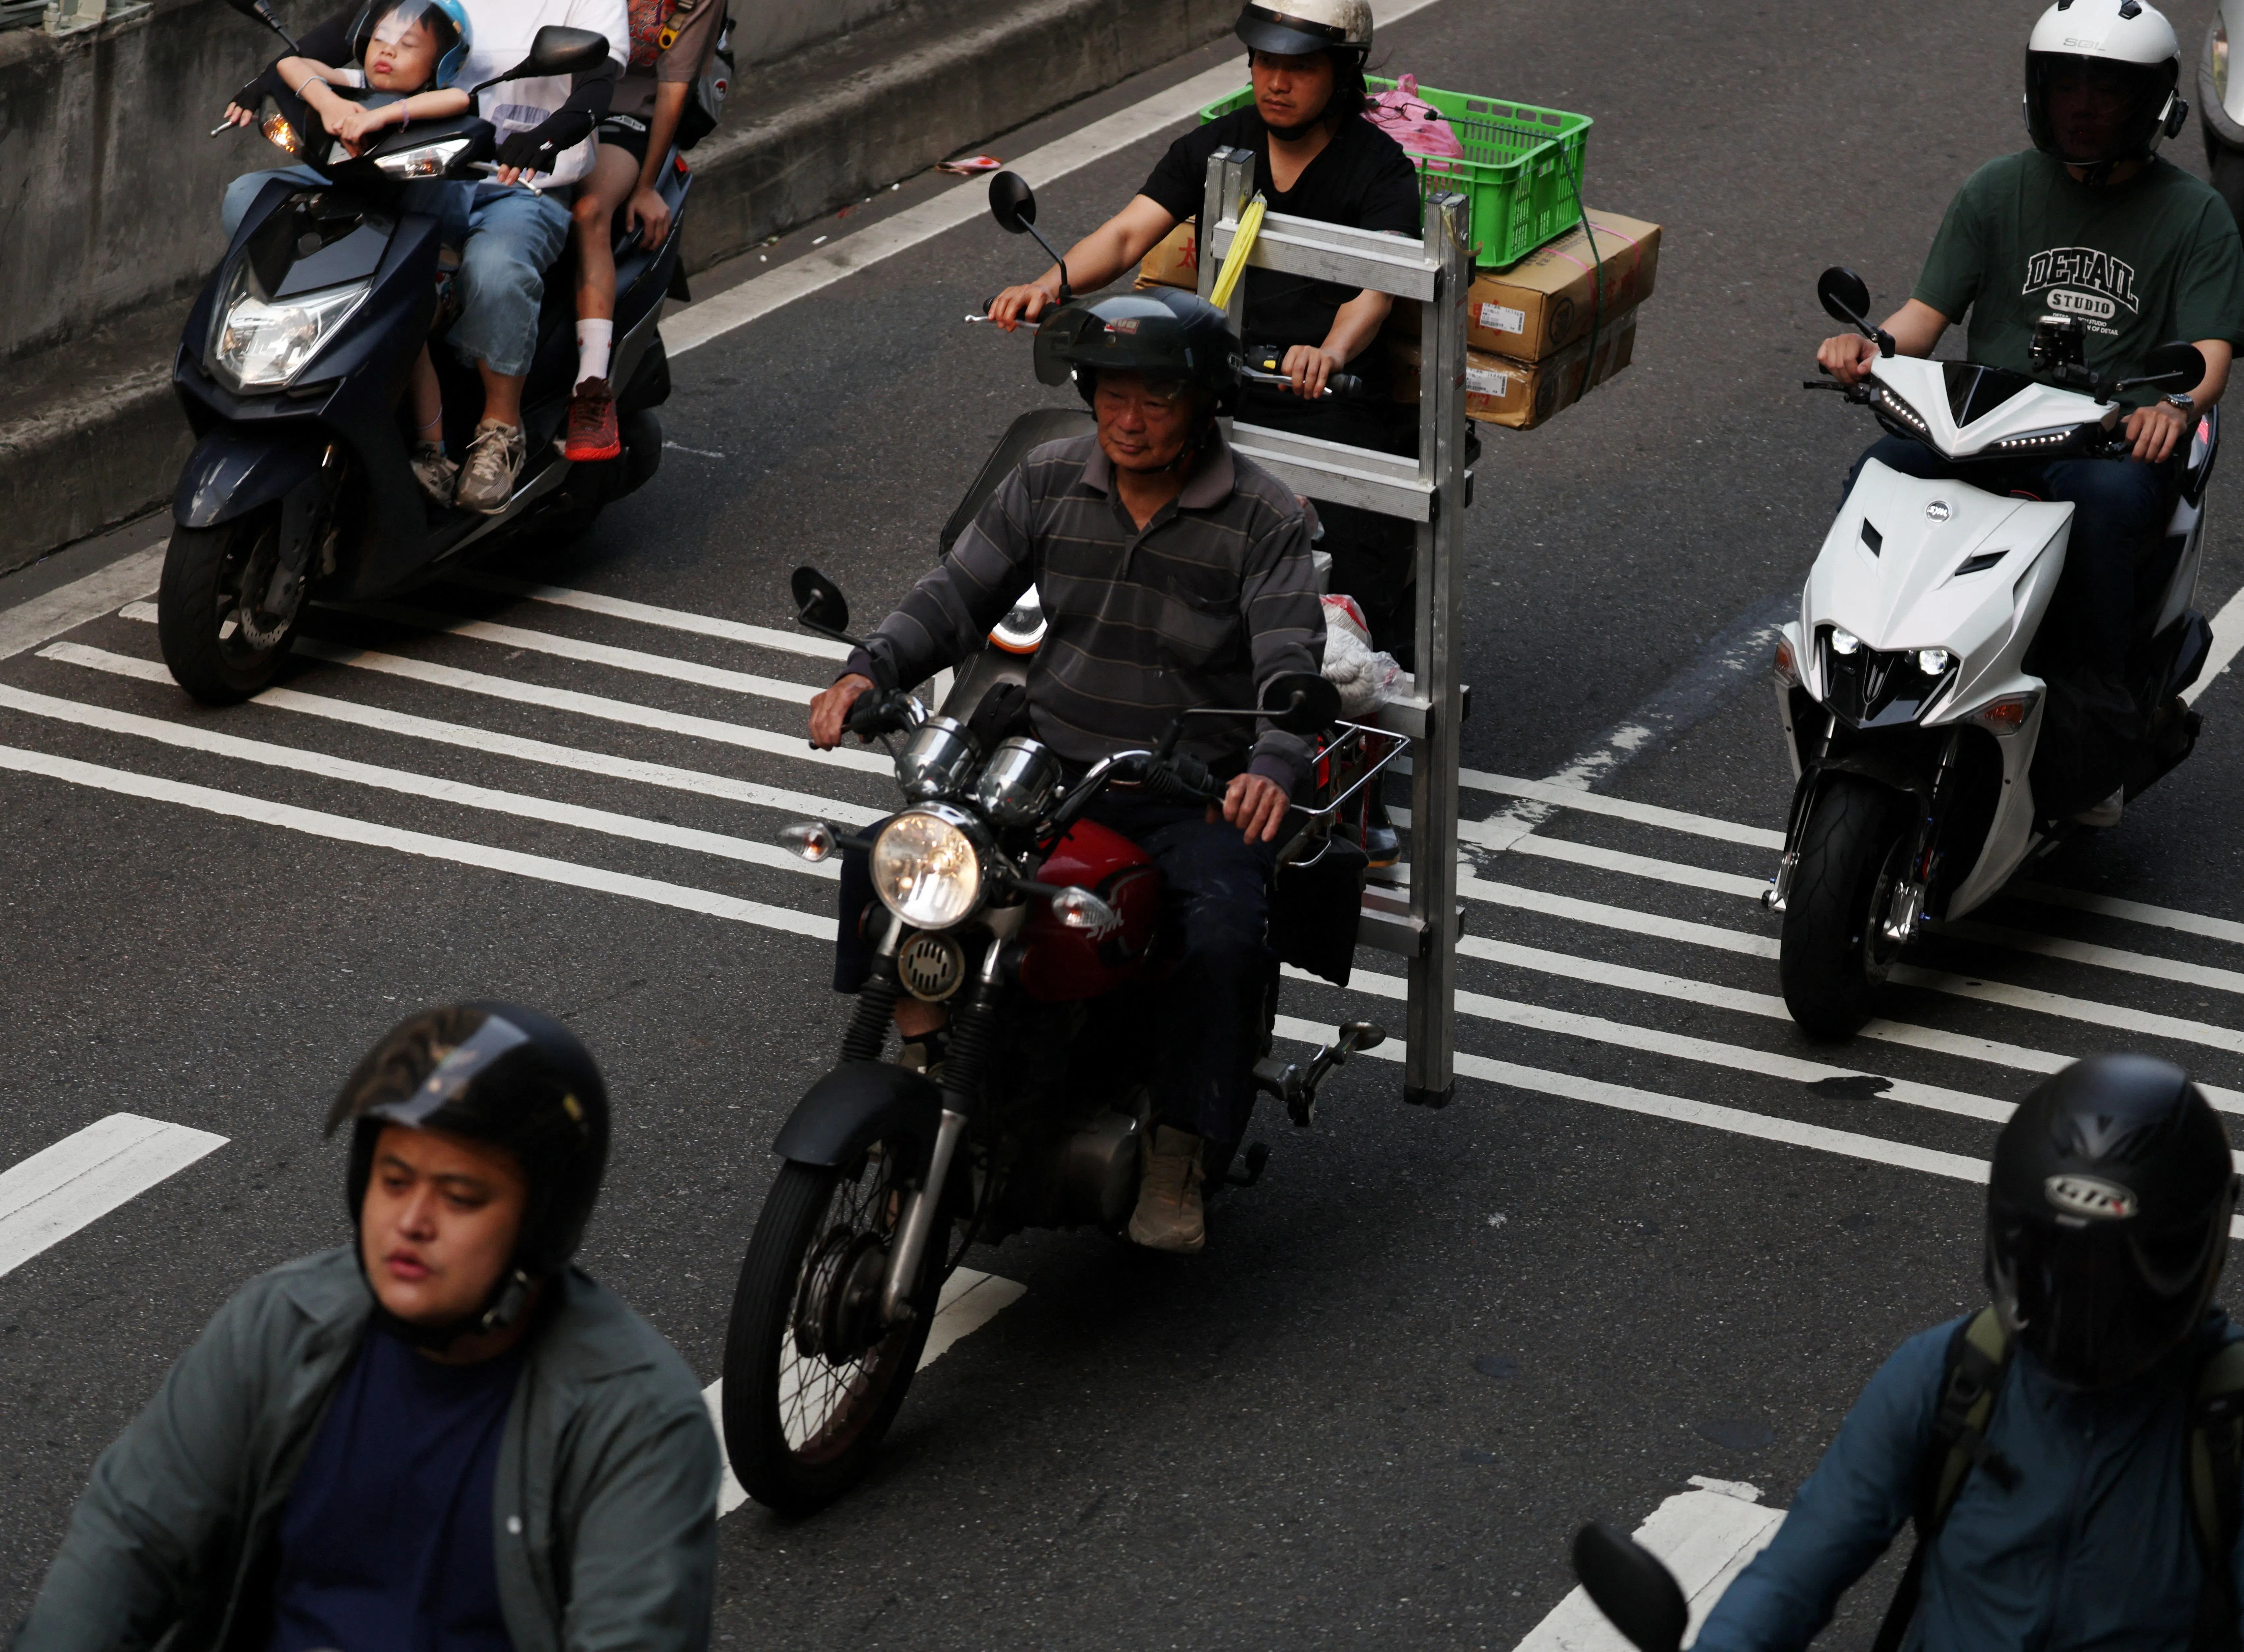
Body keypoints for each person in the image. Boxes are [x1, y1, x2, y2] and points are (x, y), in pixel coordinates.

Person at [808, 289, 1325, 1256]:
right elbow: (957, 595)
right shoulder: (1049, 478)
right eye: (1111, 396)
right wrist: (865, 668)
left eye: (1156, 401)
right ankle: (926, 1056)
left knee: (1221, 934)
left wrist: (1271, 762)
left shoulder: (1263, 517)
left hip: (1187, 788)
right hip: (1046, 767)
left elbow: (1288, 660)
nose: (1127, 421)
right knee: (894, 859)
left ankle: (1179, 1144)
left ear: (1205, 404)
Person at [15, 1002, 720, 1652]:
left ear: (540, 1223)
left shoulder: (637, 1422)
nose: (412, 1222)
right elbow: (130, 1539)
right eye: (394, 1180)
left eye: (461, 1197)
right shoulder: (280, 1326)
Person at [1691, 1054, 2244, 1652]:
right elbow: (1790, 1578)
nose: (2079, 1308)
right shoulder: (1946, 1378)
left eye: (2114, 1277)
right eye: (2053, 1264)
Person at [1817, 0, 2244, 828]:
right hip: (1984, 423)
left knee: (2109, 504)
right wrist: (1872, 352)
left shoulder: (2194, 217)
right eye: (2065, 87)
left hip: (2105, 441)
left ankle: (2093, 712)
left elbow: (2208, 357)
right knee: (1874, 473)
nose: (2082, 109)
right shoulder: (1995, 191)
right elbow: (1923, 316)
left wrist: (2170, 404)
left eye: (2106, 90)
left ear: (2151, 103)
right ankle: (1861, 657)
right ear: (2036, 93)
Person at [987, 0, 1424, 664]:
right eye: (1263, 63)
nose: (1275, 83)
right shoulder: (1219, 146)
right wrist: (1049, 285)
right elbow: (1130, 233)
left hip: (1324, 401)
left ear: (1343, 72)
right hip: (1219, 381)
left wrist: (1331, 354)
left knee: (1337, 590)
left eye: (1299, 68)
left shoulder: (1381, 170)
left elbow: (1374, 289)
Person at [225, 0, 629, 515]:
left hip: (509, 180)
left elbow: (597, 85)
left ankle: (499, 431)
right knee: (253, 200)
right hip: (393, 166)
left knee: (495, 271)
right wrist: (270, 78)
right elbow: (350, 25)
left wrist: (550, 134)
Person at [223, 0, 478, 506]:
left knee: (411, 334)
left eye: (408, 45)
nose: (388, 50)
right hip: (356, 234)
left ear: (441, 61)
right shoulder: (357, 83)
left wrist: (380, 117)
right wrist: (331, 101)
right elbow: (295, 68)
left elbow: (457, 100)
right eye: (380, 37)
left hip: (416, 255)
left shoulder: (436, 101)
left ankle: (433, 450)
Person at [564, 0, 729, 461]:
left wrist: (643, 185)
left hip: (623, 113)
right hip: (543, 99)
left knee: (589, 211)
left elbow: (675, 84)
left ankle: (592, 390)